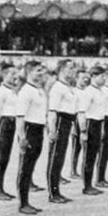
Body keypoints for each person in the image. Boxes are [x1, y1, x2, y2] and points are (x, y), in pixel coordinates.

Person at [15, 60, 48, 215]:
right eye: (37, 71)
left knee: (30, 167)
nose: (41, 73)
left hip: (38, 129)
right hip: (29, 129)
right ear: (28, 73)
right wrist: (22, 137)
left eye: (42, 70)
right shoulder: (26, 91)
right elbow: (20, 116)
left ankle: (26, 201)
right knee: (25, 168)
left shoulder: (38, 90)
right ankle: (23, 203)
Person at [45, 59, 76, 203]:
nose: (73, 71)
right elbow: (52, 111)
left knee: (60, 157)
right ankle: (53, 193)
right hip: (59, 122)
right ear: (62, 70)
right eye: (70, 68)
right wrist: (52, 130)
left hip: (67, 122)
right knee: (55, 158)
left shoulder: (67, 87)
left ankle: (56, 190)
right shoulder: (58, 87)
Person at [0, 63, 19, 200]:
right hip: (4, 124)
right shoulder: (1, 92)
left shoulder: (12, 91)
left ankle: (1, 188)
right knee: (0, 158)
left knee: (5, 158)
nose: (15, 76)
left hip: (12, 124)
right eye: (11, 74)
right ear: (4, 75)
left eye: (16, 73)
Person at [77, 66, 106, 196]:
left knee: (93, 155)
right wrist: (83, 131)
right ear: (94, 77)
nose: (104, 79)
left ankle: (90, 184)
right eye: (102, 76)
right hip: (90, 124)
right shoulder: (88, 92)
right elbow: (81, 112)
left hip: (98, 123)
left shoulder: (100, 91)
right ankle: (86, 186)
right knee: (88, 156)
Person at [68, 69, 90, 180]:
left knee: (86, 147)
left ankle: (83, 170)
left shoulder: (87, 91)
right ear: (77, 79)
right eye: (82, 78)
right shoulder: (73, 92)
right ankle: (73, 170)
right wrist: (72, 125)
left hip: (86, 119)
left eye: (86, 78)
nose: (85, 80)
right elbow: (72, 110)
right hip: (76, 119)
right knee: (76, 147)